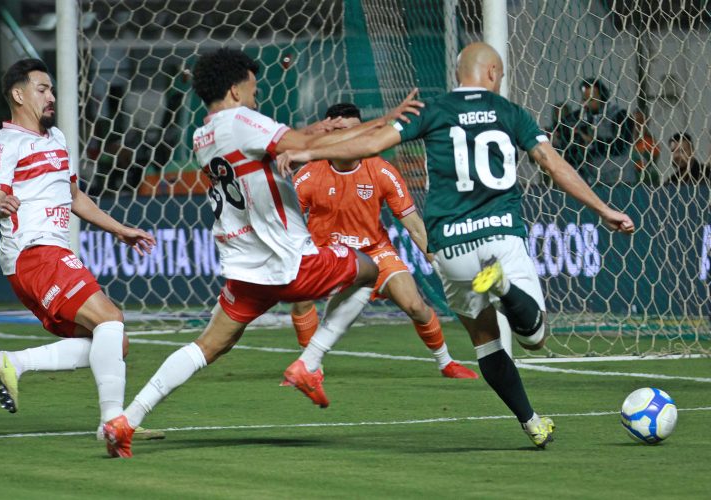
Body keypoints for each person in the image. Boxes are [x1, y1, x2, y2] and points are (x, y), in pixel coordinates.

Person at [277, 42, 636, 448]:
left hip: (450, 248)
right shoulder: (510, 113)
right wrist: (603, 208)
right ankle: (502, 286)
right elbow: (553, 164)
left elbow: (371, 143)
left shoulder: (434, 110)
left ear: (456, 74)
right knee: (534, 337)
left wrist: (307, 150)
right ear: (493, 73)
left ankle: (531, 421)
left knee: (486, 341)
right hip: (501, 236)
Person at [102, 48, 424, 458]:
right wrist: (385, 120)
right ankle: (310, 361)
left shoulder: (205, 132)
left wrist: (311, 132)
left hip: (245, 265)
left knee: (207, 346)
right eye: (253, 88)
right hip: (289, 261)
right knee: (372, 267)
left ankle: (125, 420)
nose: (257, 95)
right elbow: (304, 143)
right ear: (236, 90)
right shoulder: (242, 119)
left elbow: (280, 141)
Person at [0, 59, 160, 440]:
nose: (51, 97)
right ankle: (114, 424)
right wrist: (0, 204)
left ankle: (14, 362)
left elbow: (74, 196)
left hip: (48, 255)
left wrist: (120, 229)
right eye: (42, 89)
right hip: (34, 253)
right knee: (110, 319)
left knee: (113, 341)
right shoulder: (5, 142)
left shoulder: (58, 139)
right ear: (18, 94)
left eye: (51, 90)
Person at [289, 102, 477, 380]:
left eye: (355, 131)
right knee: (301, 299)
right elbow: (288, 224)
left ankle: (446, 362)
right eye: (339, 131)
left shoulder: (381, 170)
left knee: (414, 305)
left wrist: (437, 259)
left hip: (374, 252)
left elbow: (413, 223)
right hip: (329, 255)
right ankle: (312, 367)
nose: (348, 138)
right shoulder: (308, 174)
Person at [566, 78, 631, 184]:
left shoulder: (619, 115)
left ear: (603, 98)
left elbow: (620, 146)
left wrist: (591, 141)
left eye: (591, 99)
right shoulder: (581, 117)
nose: (586, 104)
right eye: (584, 99)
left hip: (619, 179)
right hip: (593, 179)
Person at [627, 111, 661, 185]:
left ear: (646, 123)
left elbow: (643, 164)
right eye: (634, 121)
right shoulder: (624, 142)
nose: (637, 124)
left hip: (646, 180)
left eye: (640, 121)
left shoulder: (650, 142)